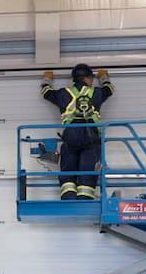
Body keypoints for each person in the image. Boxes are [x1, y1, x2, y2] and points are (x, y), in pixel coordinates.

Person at [40, 64, 115, 200]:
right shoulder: (96, 93)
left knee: (68, 170)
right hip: (90, 138)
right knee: (87, 172)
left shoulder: (63, 93)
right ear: (86, 78)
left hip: (71, 137)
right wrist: (103, 76)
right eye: (91, 78)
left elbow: (46, 92)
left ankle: (68, 198)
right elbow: (109, 89)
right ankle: (85, 198)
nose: (92, 81)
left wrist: (47, 78)